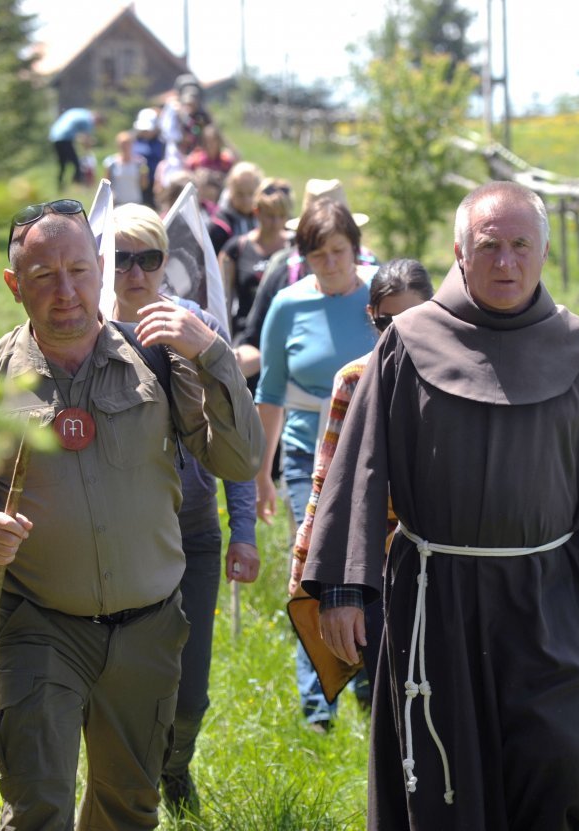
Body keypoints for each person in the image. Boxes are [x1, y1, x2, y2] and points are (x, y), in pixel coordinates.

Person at [303, 181, 579, 829]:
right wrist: (342, 587)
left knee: (561, 755)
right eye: (489, 245)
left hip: (549, 597)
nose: (506, 261)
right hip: (437, 599)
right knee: (447, 782)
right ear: (459, 253)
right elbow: (360, 466)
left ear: (545, 253)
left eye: (521, 245)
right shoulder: (408, 342)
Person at [0, 199, 262, 830]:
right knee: (38, 809)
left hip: (149, 630)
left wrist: (214, 356)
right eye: (43, 276)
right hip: (39, 625)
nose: (65, 292)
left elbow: (240, 461)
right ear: (13, 285)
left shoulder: (158, 357)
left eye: (80, 271)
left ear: (100, 270)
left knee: (128, 808)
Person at [111, 203, 259, 816]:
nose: (136, 272)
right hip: (123, 537)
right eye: (121, 259)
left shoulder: (194, 323)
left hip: (194, 532)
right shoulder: (85, 332)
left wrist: (243, 530)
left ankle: (177, 766)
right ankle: (130, 787)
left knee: (189, 691)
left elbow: (237, 432)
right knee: (126, 685)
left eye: (149, 258)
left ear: (166, 263)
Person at [254, 198, 380, 733]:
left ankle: (375, 686)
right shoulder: (287, 304)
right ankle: (317, 704)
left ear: (355, 250)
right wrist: (262, 471)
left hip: (377, 455)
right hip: (310, 453)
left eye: (338, 252)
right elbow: (271, 391)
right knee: (316, 576)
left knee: (373, 570)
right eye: (317, 255)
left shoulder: (383, 296)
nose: (329, 263)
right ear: (302, 257)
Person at [287, 260, 435, 681]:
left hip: (443, 561)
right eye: (387, 321)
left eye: (413, 318)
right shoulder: (354, 380)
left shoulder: (456, 379)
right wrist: (316, 569)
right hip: (374, 563)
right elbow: (330, 480)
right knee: (388, 686)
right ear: (372, 317)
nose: (399, 332)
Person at [234, 178, 377, 382]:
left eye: (338, 249)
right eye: (318, 251)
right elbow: (255, 341)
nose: (330, 262)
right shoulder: (282, 273)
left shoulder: (378, 277)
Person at [219, 178, 293, 359]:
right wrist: (224, 337)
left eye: (281, 216)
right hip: (247, 336)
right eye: (270, 215)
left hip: (287, 335)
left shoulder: (295, 246)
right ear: (256, 213)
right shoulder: (236, 248)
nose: (276, 222)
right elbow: (223, 298)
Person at [48, 107, 101, 188]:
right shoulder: (88, 120)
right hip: (65, 138)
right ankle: (77, 183)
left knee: (62, 164)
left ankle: (60, 185)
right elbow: (86, 139)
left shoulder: (82, 113)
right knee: (76, 163)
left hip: (55, 136)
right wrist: (88, 149)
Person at [132, 108, 166, 209]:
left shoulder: (162, 143)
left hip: (156, 184)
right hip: (137, 184)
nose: (146, 132)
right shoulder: (135, 142)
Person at [103, 130, 147, 206]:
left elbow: (144, 185)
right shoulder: (110, 162)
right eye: (122, 144)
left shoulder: (140, 162)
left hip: (135, 202)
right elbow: (106, 185)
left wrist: (144, 173)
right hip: (117, 203)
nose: (124, 146)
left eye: (127, 143)